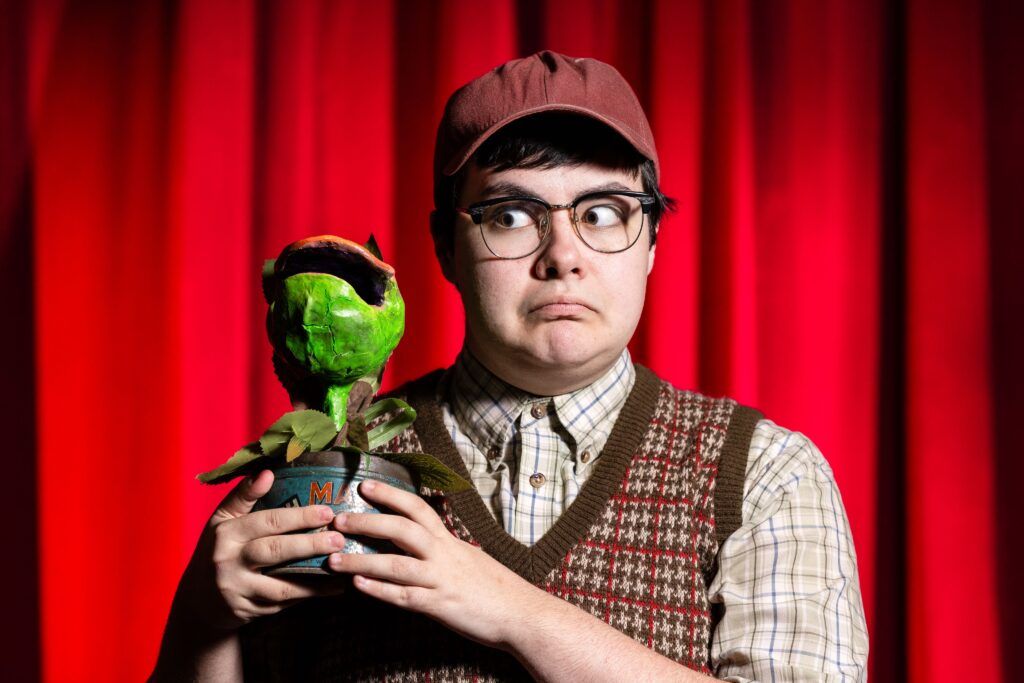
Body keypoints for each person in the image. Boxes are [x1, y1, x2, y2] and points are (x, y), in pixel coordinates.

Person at [153, 51, 868, 682]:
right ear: (444, 247)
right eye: (512, 214)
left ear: (650, 239)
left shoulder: (760, 472)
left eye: (603, 211)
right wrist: (203, 622)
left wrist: (507, 606)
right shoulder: (335, 463)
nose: (563, 253)